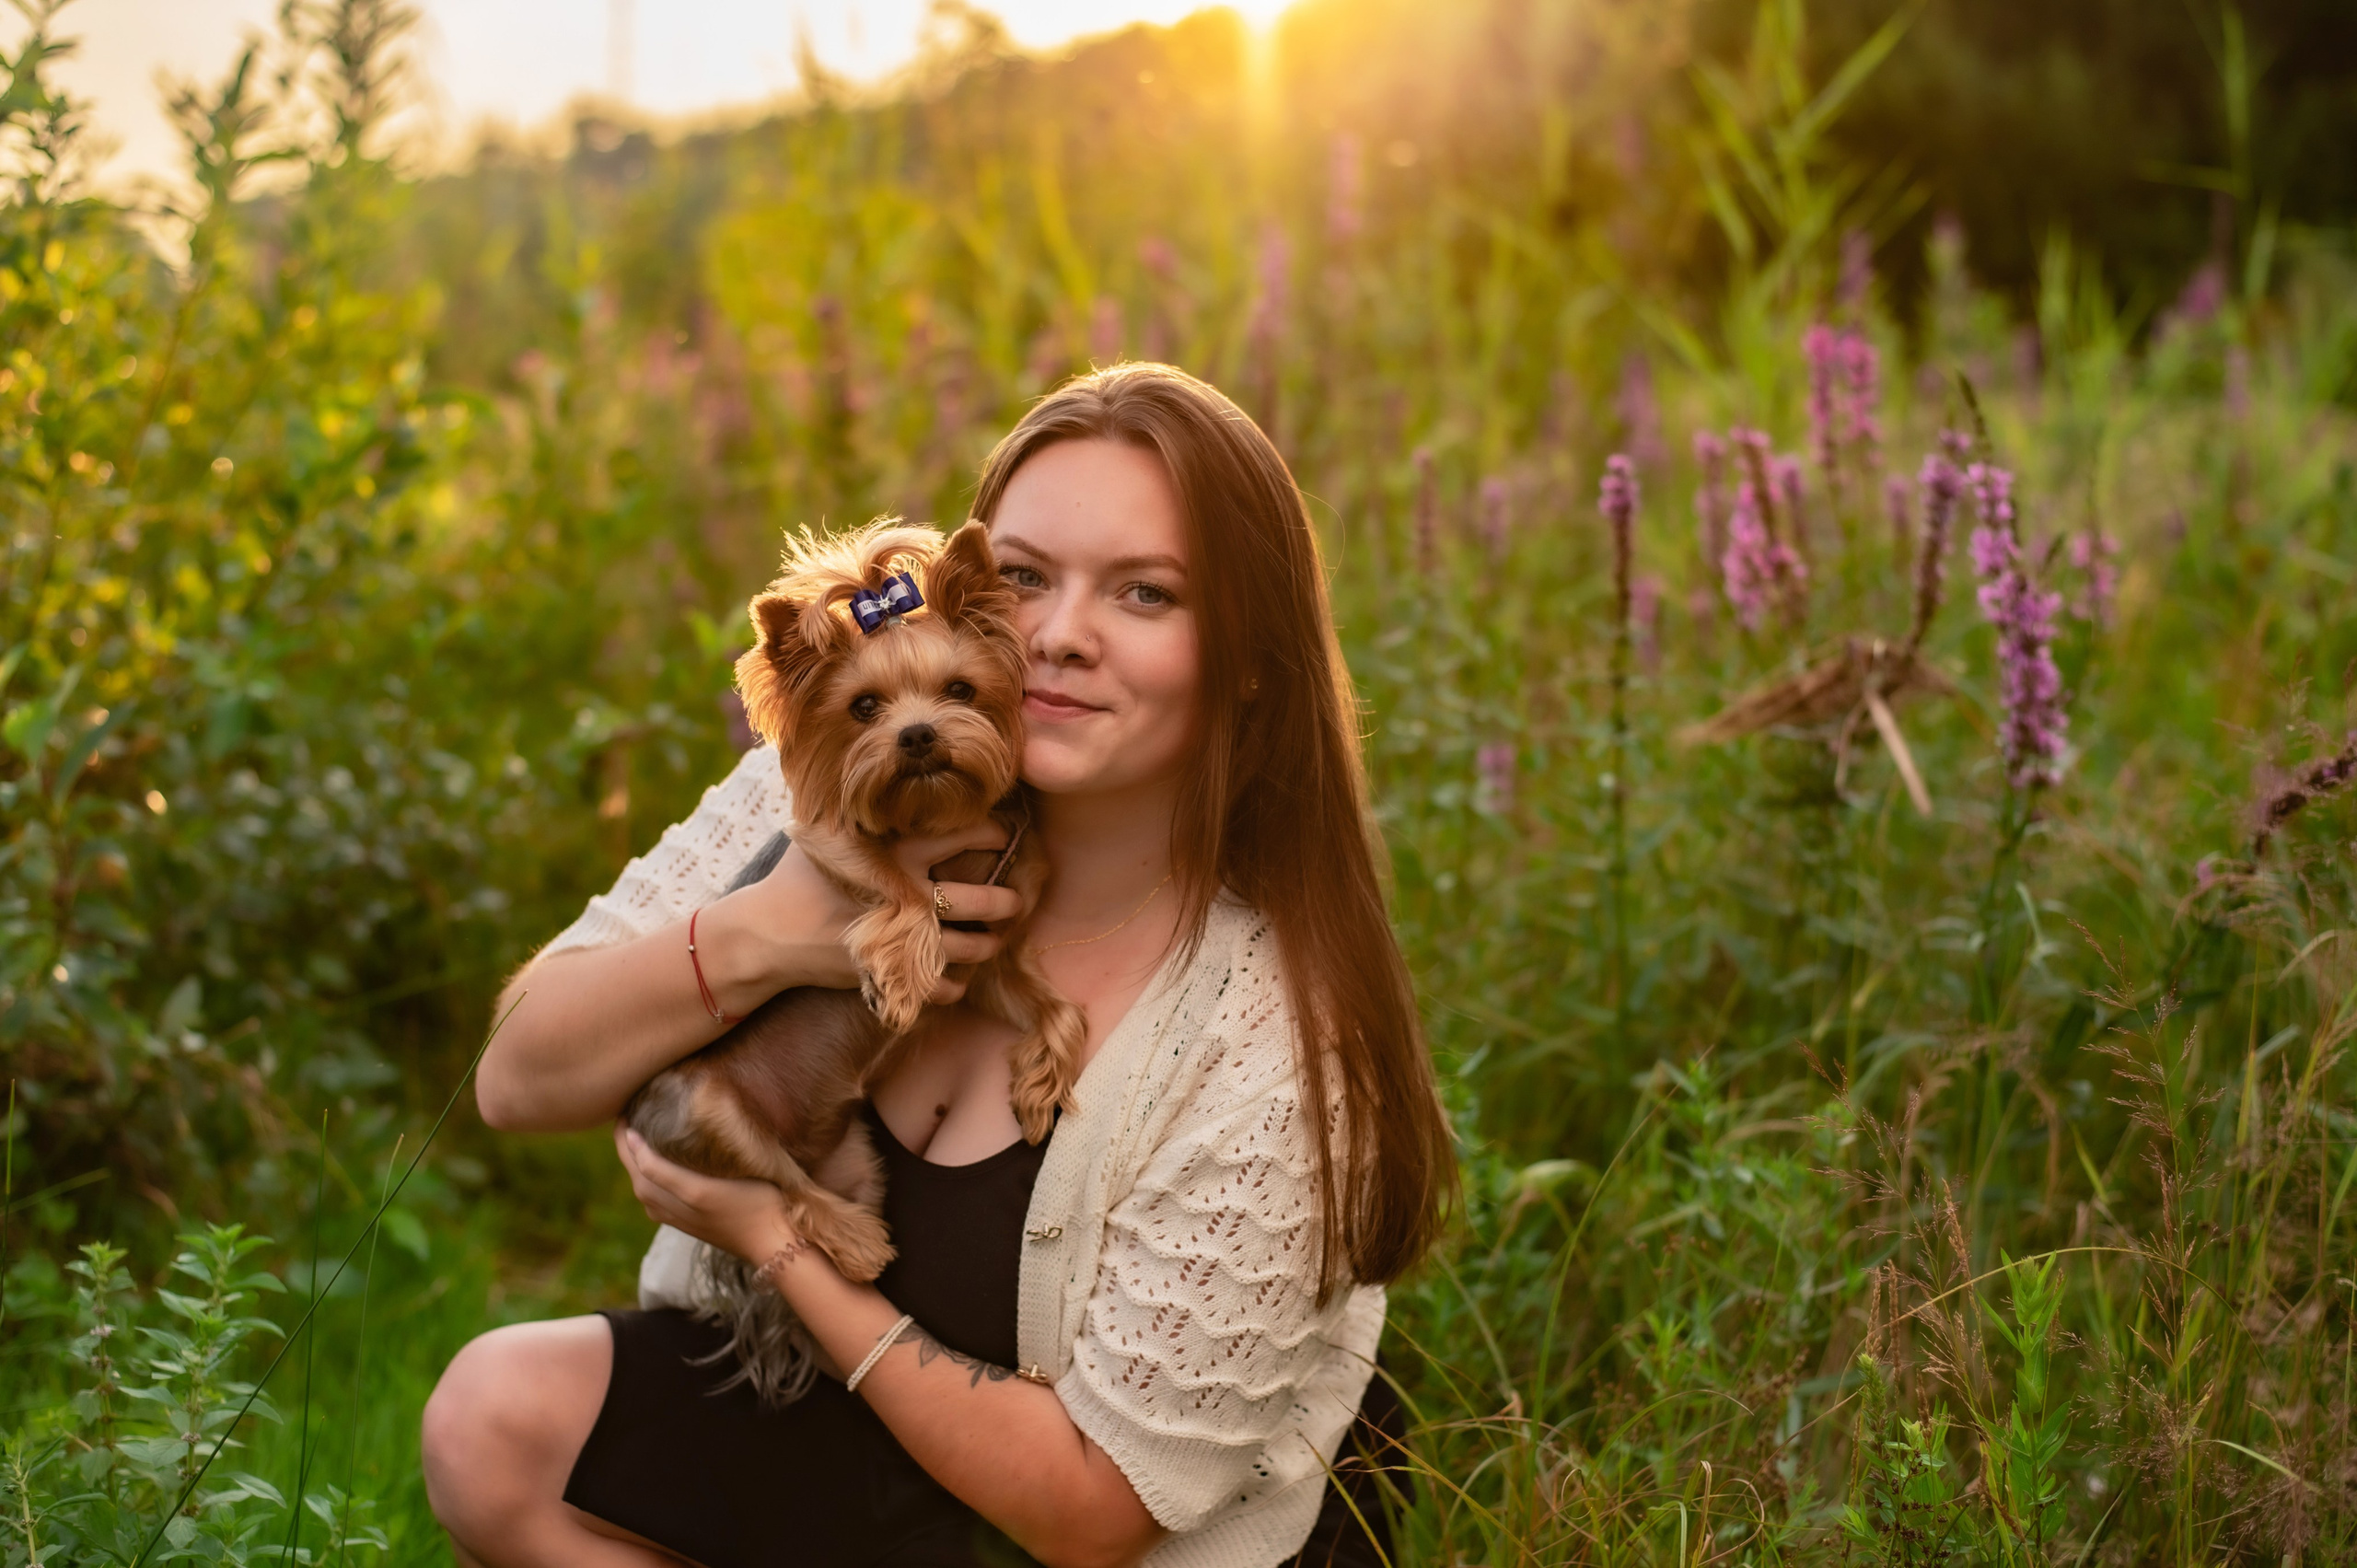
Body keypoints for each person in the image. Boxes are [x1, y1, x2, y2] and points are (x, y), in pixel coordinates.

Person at [421, 363, 1454, 1568]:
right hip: (856, 1448)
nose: (1062, 635)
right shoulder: (832, 777)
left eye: (1145, 594)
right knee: (492, 1419)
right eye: (1024, 579)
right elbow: (517, 1081)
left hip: (1100, 1535)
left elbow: (1091, 1513)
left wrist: (779, 1239)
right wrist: (770, 931)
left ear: (1248, 660)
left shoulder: (1271, 1036)